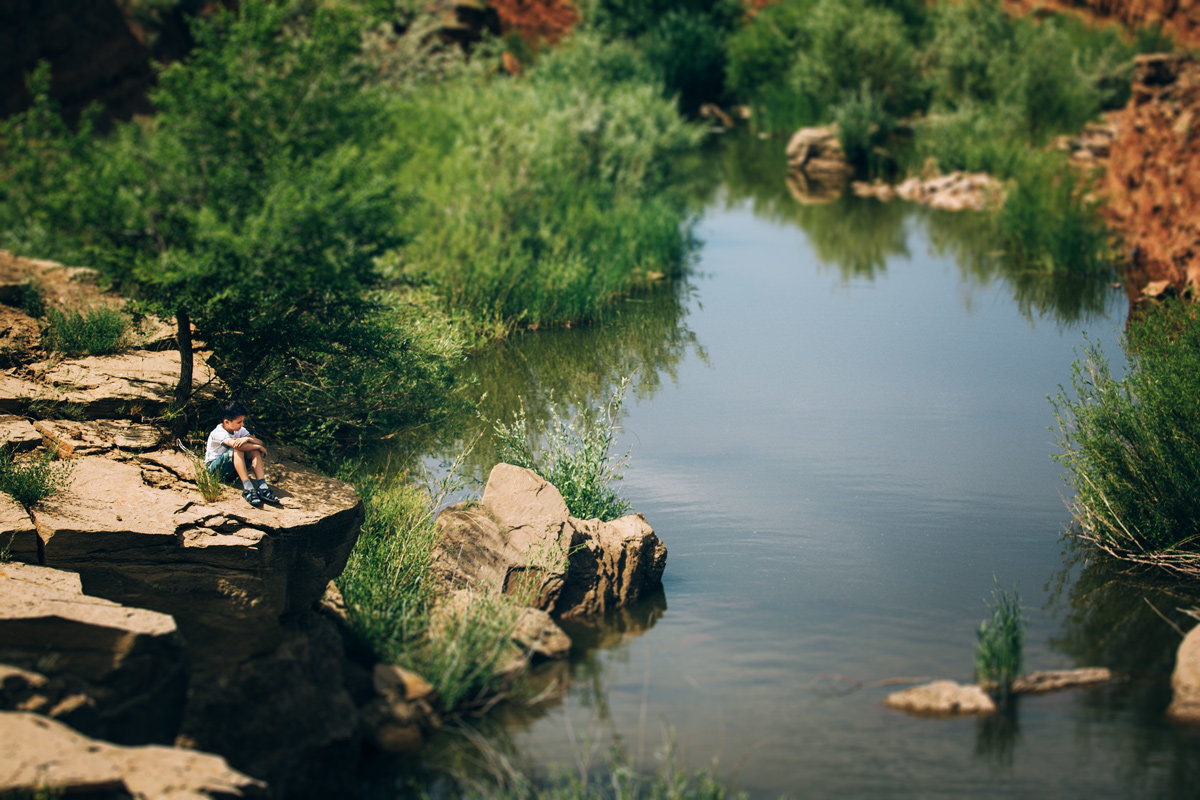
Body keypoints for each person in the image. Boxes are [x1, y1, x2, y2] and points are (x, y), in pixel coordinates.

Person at [203, 400, 281, 508]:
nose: (242, 424)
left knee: (253, 450)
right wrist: (257, 446)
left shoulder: (240, 430)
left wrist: (246, 439)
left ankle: (262, 486)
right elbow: (237, 445)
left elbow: (259, 441)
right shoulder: (218, 432)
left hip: (233, 468)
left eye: (242, 421)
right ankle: (248, 488)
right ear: (227, 422)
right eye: (239, 422)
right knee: (239, 449)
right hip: (216, 470)